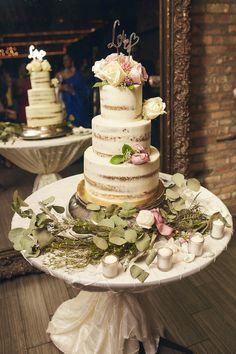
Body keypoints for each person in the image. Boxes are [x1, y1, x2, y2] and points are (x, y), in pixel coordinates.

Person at [57, 54, 90, 127]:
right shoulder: (59, 74)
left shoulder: (77, 74)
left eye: (67, 60)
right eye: (64, 60)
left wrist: (72, 91)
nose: (65, 62)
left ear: (71, 61)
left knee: (79, 106)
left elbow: (83, 88)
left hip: (76, 98)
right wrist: (62, 87)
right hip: (63, 99)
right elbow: (54, 86)